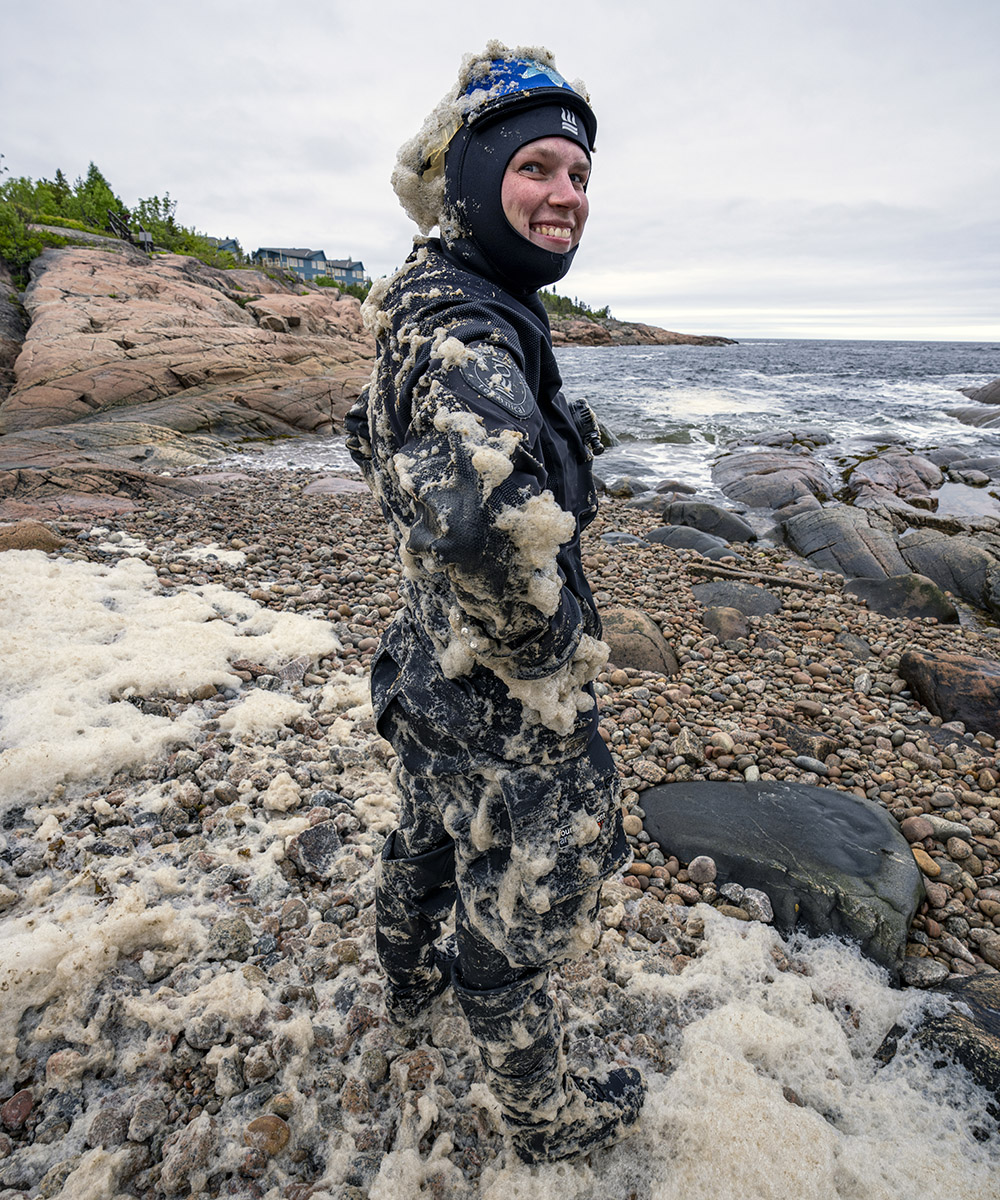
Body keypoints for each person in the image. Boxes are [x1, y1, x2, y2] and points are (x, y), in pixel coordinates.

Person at [345, 43, 645, 1165]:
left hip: (425, 665)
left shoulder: (426, 299)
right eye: (539, 170)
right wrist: (555, 653)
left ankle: (411, 987)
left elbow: (380, 454)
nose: (567, 196)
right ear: (474, 178)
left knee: (425, 831)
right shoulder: (472, 329)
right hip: (501, 693)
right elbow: (476, 523)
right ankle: (539, 1109)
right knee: (531, 893)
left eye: (579, 175)